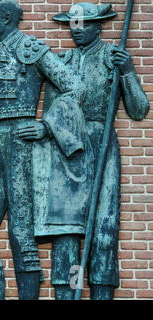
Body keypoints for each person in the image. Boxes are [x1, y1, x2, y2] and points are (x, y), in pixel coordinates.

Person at [0, 0, 80, 300]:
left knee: (21, 234)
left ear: (6, 17)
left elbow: (74, 87)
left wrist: (47, 125)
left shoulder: (32, 49)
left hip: (22, 145)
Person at [34, 3, 150, 300]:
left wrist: (127, 72)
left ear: (98, 26)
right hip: (67, 147)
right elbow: (50, 109)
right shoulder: (62, 61)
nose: (76, 29)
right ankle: (67, 291)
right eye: (72, 24)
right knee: (66, 230)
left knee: (104, 227)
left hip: (101, 146)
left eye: (83, 24)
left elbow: (138, 110)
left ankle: (101, 291)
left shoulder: (114, 58)